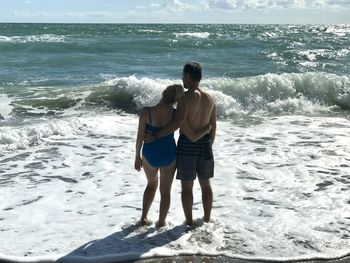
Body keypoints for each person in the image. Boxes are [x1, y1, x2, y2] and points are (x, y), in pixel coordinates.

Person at [146, 62, 217, 225]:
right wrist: (207, 144)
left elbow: (177, 124)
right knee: (206, 186)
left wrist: (155, 136)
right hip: (205, 145)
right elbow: (213, 127)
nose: (181, 78)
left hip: (187, 145)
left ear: (187, 77)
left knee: (187, 188)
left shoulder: (185, 98)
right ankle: (207, 220)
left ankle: (190, 222)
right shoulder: (210, 98)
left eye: (182, 75)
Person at [134, 84, 210, 227]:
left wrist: (137, 156)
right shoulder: (176, 115)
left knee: (151, 185)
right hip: (169, 155)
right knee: (166, 192)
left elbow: (139, 137)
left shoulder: (146, 112)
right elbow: (191, 134)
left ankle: (143, 218)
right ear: (176, 100)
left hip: (149, 154)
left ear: (163, 94)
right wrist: (208, 128)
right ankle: (161, 223)